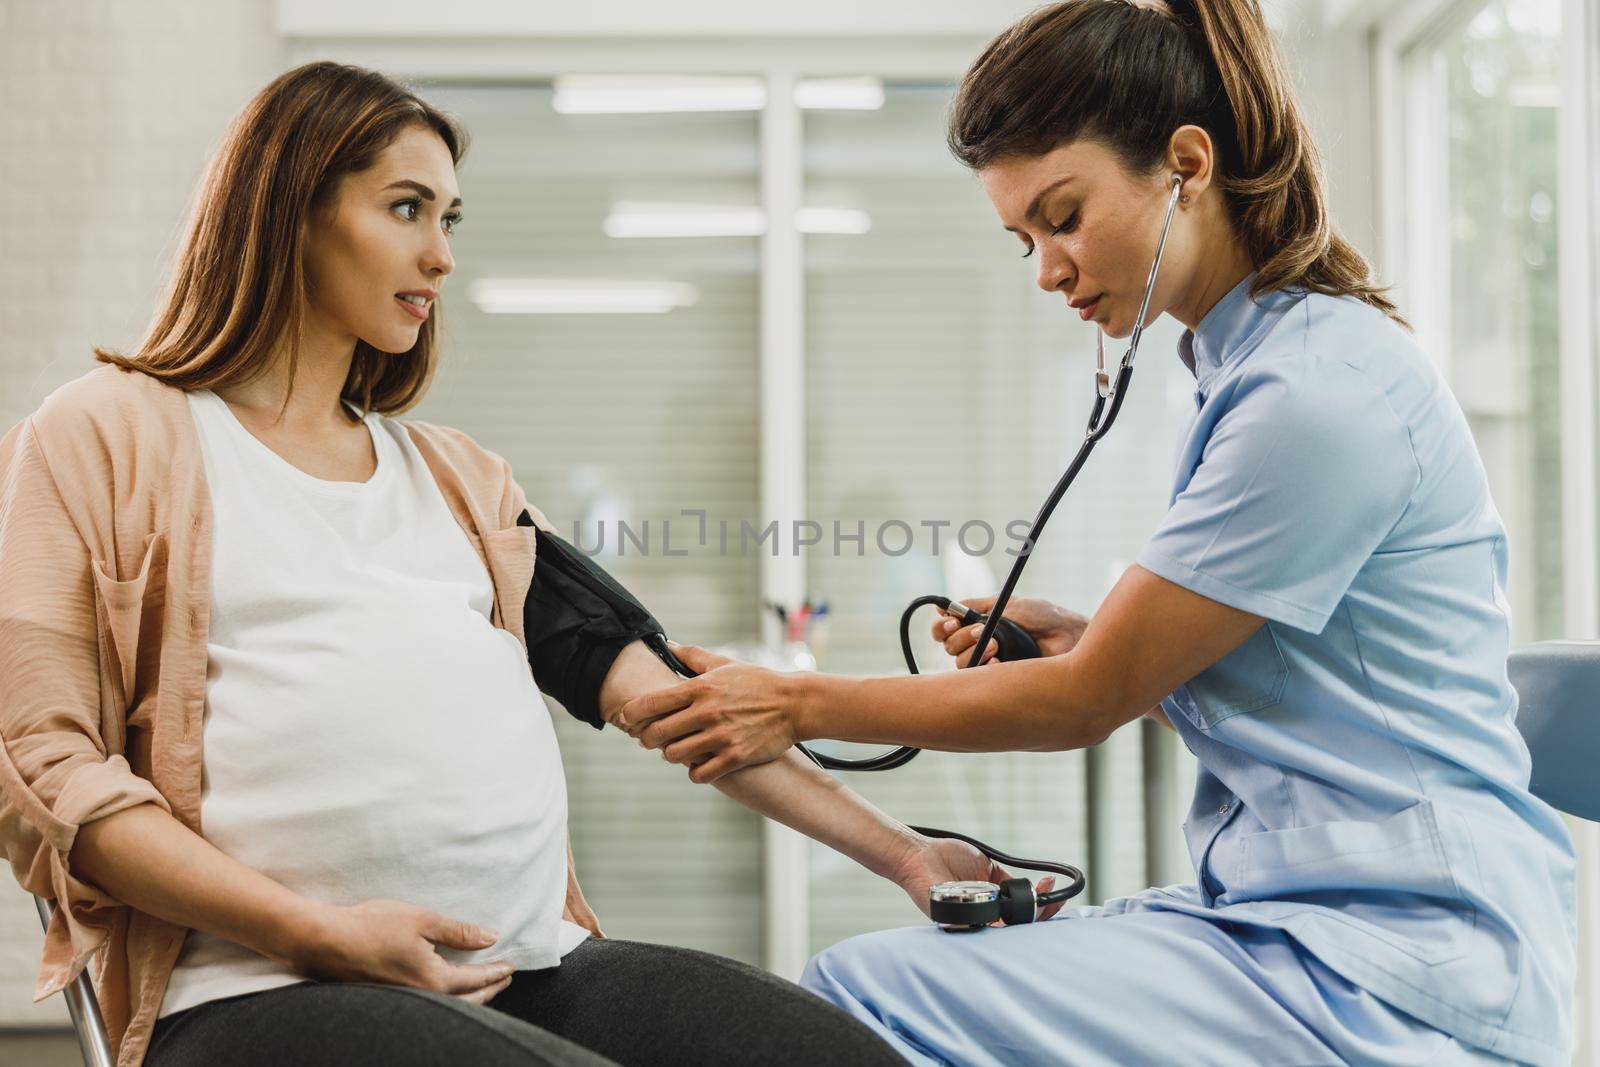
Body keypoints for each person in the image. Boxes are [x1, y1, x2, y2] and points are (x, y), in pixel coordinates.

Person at [0, 60, 1019, 1067]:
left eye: (449, 219)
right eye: (407, 208)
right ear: (292, 210)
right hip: (259, 985)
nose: (441, 257)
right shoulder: (107, 435)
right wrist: (307, 929)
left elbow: (670, 698)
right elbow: (42, 774)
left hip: (532, 960)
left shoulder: (458, 480)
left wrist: (905, 854)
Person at [621, 2, 1579, 1064]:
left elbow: (1086, 706)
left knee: (864, 989)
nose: (1046, 268)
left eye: (1063, 215)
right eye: (1022, 238)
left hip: (1396, 962)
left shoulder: (1314, 393)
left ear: (1184, 163)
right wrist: (1087, 636)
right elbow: (1283, 685)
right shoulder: (1247, 367)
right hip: (1307, 920)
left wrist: (791, 701)